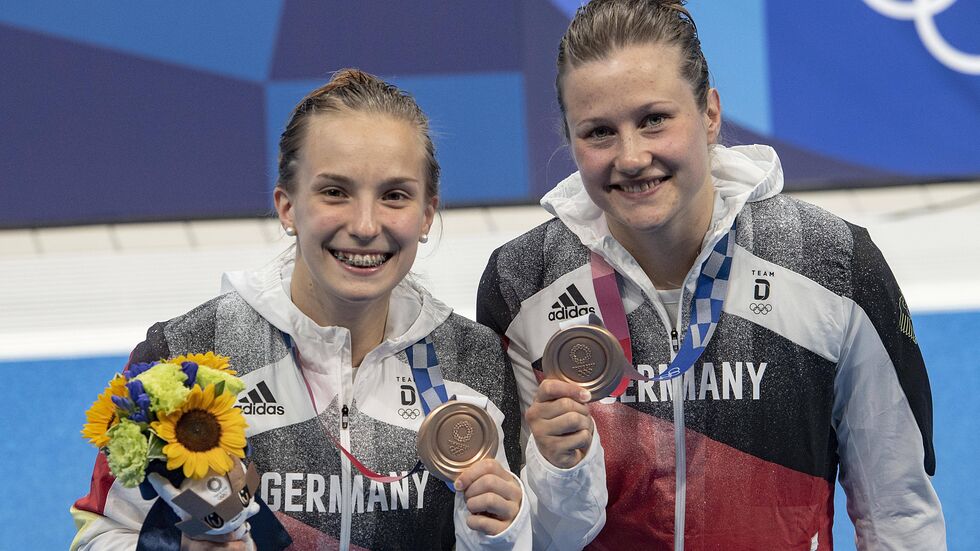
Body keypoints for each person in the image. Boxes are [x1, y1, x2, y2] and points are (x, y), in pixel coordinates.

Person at [477, 1, 946, 549]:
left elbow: (898, 511)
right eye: (599, 132)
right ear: (569, 138)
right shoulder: (523, 283)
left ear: (710, 114)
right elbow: (516, 532)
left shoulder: (831, 262)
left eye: (654, 119)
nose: (631, 156)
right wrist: (560, 470)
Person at [69, 69, 597, 551]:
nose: (365, 225)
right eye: (335, 192)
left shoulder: (473, 362)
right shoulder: (186, 356)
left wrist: (500, 534)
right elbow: (101, 533)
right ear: (287, 206)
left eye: (395, 195)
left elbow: (537, 538)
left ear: (427, 214)